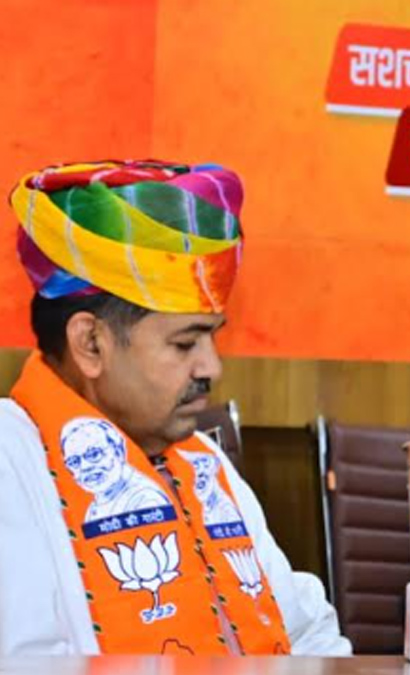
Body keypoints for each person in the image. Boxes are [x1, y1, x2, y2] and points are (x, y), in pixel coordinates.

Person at [0, 160, 352, 655]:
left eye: (212, 339)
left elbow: (307, 632)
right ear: (91, 343)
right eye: (185, 344)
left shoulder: (202, 460)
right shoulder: (12, 460)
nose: (212, 367)